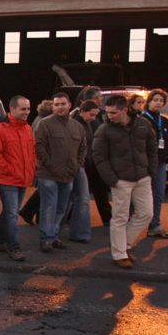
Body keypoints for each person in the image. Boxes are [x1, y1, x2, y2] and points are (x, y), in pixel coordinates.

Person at [93, 95, 156, 268]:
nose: (109, 116)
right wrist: (113, 180)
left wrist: (151, 171)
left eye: (113, 112)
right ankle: (119, 253)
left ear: (124, 110)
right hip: (121, 180)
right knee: (120, 216)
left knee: (146, 213)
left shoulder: (143, 124)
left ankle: (123, 245)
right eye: (107, 112)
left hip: (142, 177)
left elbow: (152, 147)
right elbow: (99, 156)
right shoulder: (104, 130)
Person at [34, 92, 86, 253]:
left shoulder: (77, 126)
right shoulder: (45, 124)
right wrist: (50, 165)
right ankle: (46, 239)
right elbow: (39, 147)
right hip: (48, 175)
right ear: (53, 106)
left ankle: (54, 235)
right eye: (56, 104)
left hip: (68, 175)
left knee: (62, 208)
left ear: (69, 105)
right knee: (49, 207)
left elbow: (83, 148)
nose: (60, 107)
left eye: (63, 104)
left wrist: (77, 166)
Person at [0, 95, 36, 261]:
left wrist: (30, 170)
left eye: (28, 109)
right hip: (8, 180)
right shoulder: (0, 130)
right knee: (12, 213)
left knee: (9, 212)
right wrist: (9, 170)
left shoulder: (27, 128)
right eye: (23, 109)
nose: (27, 112)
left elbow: (31, 153)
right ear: (12, 109)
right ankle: (14, 247)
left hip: (21, 178)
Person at [142, 89, 168, 239]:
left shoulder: (165, 120)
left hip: (160, 162)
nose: (158, 103)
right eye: (155, 100)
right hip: (145, 163)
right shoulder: (143, 119)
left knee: (159, 193)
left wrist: (167, 153)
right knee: (140, 195)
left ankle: (155, 224)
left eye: (161, 101)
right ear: (149, 102)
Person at [76, 86, 111, 226]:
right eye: (98, 97)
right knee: (81, 195)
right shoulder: (77, 118)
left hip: (95, 159)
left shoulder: (100, 115)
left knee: (99, 190)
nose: (100, 100)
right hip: (85, 161)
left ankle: (107, 217)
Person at [67, 99, 100, 243]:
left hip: (81, 165)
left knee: (70, 200)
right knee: (82, 199)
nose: (93, 118)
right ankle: (80, 233)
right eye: (91, 115)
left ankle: (54, 231)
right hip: (78, 166)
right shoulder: (76, 125)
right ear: (82, 112)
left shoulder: (84, 124)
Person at [17, 99, 54, 225]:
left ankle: (30, 212)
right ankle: (31, 213)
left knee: (43, 190)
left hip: (37, 161)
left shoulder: (38, 120)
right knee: (44, 190)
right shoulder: (44, 122)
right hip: (41, 162)